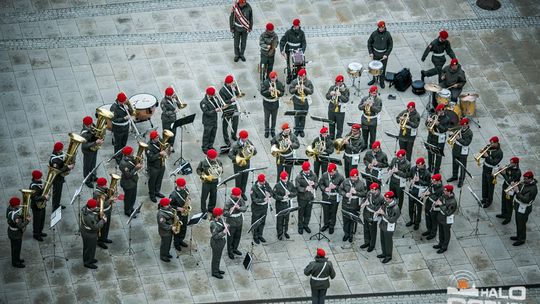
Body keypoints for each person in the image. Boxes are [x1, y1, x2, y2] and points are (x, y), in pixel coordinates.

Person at [339, 169, 367, 242]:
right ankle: (346, 234)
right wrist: (345, 194)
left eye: (355, 177)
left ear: (357, 176)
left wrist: (356, 193)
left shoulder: (361, 183)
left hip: (355, 205)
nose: (353, 179)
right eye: (352, 177)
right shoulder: (345, 181)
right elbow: (340, 190)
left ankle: (351, 235)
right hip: (346, 204)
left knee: (353, 221)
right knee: (345, 220)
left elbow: (364, 194)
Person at [228, 130, 257, 198]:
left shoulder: (248, 142)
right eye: (244, 138)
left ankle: (242, 192)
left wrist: (253, 149)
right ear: (241, 138)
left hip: (246, 164)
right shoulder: (235, 145)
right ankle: (237, 194)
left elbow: (255, 153)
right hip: (238, 165)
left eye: (246, 137)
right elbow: (230, 155)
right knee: (238, 180)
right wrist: (238, 159)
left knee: (245, 179)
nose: (246, 139)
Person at [511, 171, 537, 246]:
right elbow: (521, 188)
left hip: (524, 208)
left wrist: (517, 191)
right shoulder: (525, 183)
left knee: (521, 224)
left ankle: (521, 239)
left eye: (525, 179)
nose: (524, 180)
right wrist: (515, 185)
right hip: (519, 206)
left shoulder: (533, 189)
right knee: (518, 222)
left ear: (530, 179)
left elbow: (525, 200)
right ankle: (518, 236)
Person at [318, 163, 345, 234]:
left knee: (333, 212)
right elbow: (320, 184)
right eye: (329, 172)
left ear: (335, 171)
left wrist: (335, 187)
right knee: (325, 211)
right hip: (326, 196)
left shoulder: (340, 177)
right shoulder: (325, 175)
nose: (331, 174)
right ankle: (326, 224)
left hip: (334, 197)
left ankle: (331, 225)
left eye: (332, 172)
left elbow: (343, 188)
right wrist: (324, 189)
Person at [447, 118, 473, 188]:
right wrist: (451, 135)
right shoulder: (459, 128)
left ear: (467, 124)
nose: (462, 126)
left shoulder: (469, 133)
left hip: (463, 151)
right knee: (454, 164)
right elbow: (452, 135)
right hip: (456, 149)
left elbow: (466, 143)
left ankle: (461, 180)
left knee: (462, 166)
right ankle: (454, 176)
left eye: (464, 125)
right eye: (462, 125)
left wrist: (459, 139)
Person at [80, 198, 106, 269]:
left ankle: (90, 258)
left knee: (91, 247)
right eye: (95, 207)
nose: (96, 207)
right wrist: (103, 220)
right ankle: (87, 262)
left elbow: (95, 211)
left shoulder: (86, 208)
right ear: (91, 208)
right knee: (89, 248)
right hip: (89, 234)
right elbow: (96, 226)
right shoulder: (89, 217)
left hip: (88, 232)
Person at [406, 158, 431, 230]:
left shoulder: (427, 173)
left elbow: (428, 184)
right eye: (417, 165)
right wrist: (411, 179)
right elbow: (410, 176)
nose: (418, 166)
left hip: (420, 191)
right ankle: (411, 220)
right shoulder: (413, 168)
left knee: (418, 208)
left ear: (423, 164)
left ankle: (417, 222)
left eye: (420, 165)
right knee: (411, 206)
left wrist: (419, 180)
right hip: (413, 189)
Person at [279, 18, 307, 84]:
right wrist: (282, 50)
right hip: (289, 50)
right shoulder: (288, 32)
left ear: (299, 25)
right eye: (295, 26)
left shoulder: (301, 33)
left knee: (298, 65)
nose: (295, 27)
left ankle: (297, 77)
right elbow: (282, 41)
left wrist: (302, 51)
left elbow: (304, 43)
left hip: (298, 52)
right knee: (289, 65)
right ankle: (289, 76)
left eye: (297, 26)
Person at [375, 191, 400, 263]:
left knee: (388, 241)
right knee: (382, 240)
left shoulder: (396, 208)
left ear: (391, 199)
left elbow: (392, 220)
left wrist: (383, 214)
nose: (385, 200)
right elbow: (382, 208)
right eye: (385, 198)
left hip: (389, 226)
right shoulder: (386, 203)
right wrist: (379, 212)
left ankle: (388, 256)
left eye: (387, 198)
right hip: (383, 224)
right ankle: (384, 253)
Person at [367, 20, 393, 88]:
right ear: (378, 27)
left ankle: (381, 81)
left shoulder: (387, 34)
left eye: (382, 28)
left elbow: (390, 45)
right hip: (375, 54)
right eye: (380, 28)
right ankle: (374, 80)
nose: (381, 29)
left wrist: (386, 55)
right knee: (374, 68)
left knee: (382, 69)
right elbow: (369, 43)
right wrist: (371, 52)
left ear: (384, 27)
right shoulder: (374, 34)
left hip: (383, 55)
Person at [426, 104, 451, 174]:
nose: (438, 113)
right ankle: (430, 167)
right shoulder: (433, 115)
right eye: (437, 111)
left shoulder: (447, 119)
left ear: (443, 110)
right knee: (430, 153)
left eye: (439, 112)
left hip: (440, 138)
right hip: (431, 136)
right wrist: (428, 121)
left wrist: (438, 124)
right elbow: (426, 125)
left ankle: (437, 169)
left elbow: (444, 130)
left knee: (438, 155)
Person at [289, 68, 314, 137]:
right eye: (300, 76)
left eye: (303, 76)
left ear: (305, 75)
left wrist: (305, 88)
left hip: (305, 102)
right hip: (297, 101)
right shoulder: (294, 82)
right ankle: (297, 130)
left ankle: (301, 129)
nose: (301, 78)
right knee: (297, 116)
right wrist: (295, 89)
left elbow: (311, 91)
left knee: (303, 116)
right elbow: (290, 91)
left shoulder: (308, 82)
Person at [273, 171, 298, 240]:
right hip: (280, 205)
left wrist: (290, 194)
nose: (285, 180)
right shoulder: (277, 185)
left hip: (288, 204)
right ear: (281, 178)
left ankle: (285, 231)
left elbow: (295, 192)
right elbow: (274, 195)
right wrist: (282, 197)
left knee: (286, 219)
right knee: (280, 220)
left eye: (286, 178)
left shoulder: (290, 184)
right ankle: (279, 233)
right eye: (284, 179)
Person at [196, 149, 222, 215]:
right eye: (213, 158)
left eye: (215, 157)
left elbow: (221, 169)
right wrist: (204, 175)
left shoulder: (218, 161)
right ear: (209, 157)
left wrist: (219, 171)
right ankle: (204, 211)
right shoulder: (203, 162)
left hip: (215, 182)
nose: (214, 159)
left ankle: (211, 208)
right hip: (206, 182)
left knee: (213, 196)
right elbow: (198, 170)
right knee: (204, 197)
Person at [224, 187, 247, 259]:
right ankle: (230, 251)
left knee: (238, 236)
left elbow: (244, 208)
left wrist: (239, 208)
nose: (240, 196)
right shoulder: (228, 202)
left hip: (239, 221)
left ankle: (235, 248)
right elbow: (224, 213)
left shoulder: (240, 199)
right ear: (235, 195)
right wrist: (230, 211)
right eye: (239, 195)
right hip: (231, 222)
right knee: (230, 238)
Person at [250, 174, 274, 244]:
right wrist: (263, 200)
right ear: (259, 181)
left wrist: (269, 195)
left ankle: (260, 234)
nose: (264, 182)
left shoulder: (265, 183)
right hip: (256, 208)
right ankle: (255, 236)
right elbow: (254, 200)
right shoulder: (254, 188)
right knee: (256, 222)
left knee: (262, 222)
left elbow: (271, 191)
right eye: (262, 182)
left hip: (264, 207)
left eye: (264, 181)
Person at [480, 136, 504, 208]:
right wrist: (482, 154)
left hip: (492, 171)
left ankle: (489, 201)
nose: (490, 144)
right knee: (484, 183)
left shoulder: (500, 152)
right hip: (485, 168)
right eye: (490, 142)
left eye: (492, 143)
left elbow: (494, 162)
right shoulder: (489, 146)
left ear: (496, 143)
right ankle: (484, 198)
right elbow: (483, 156)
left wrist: (487, 156)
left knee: (490, 187)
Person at [360, 182, 384, 252]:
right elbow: (365, 199)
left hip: (373, 215)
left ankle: (372, 245)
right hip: (366, 213)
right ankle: (367, 242)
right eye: (371, 190)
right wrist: (362, 203)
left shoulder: (380, 198)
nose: (371, 191)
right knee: (366, 229)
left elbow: (380, 208)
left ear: (376, 190)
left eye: (373, 190)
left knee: (372, 231)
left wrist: (369, 205)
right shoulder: (369, 193)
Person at [433, 184, 457, 254]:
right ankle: (440, 243)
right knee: (440, 231)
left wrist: (441, 205)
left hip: (446, 220)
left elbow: (448, 212)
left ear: (449, 192)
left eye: (445, 191)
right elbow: (440, 199)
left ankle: (444, 247)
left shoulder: (453, 202)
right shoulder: (444, 195)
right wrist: (437, 202)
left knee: (446, 233)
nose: (443, 191)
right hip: (441, 217)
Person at [261, 71, 285, 138]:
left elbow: (282, 93)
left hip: (275, 103)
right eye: (272, 78)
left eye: (274, 78)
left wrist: (278, 92)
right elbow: (262, 92)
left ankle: (272, 130)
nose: (273, 79)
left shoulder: (279, 84)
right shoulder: (265, 83)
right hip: (267, 103)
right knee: (267, 118)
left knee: (274, 118)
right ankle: (266, 130)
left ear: (276, 77)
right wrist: (268, 90)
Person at [7, 197, 30, 268]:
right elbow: (20, 226)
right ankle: (15, 262)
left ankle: (17, 259)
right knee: (16, 248)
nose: (19, 205)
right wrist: (27, 221)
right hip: (15, 234)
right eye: (18, 204)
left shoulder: (9, 209)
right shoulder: (15, 216)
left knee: (15, 248)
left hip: (11, 231)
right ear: (15, 205)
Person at [119, 146, 142, 217]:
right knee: (128, 198)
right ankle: (127, 210)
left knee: (133, 196)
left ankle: (131, 208)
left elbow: (135, 162)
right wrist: (136, 168)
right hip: (128, 183)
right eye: (132, 152)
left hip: (133, 181)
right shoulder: (123, 164)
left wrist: (139, 161)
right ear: (128, 154)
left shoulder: (131, 158)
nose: (133, 153)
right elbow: (128, 175)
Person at [49, 141, 73, 211]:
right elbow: (58, 171)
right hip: (56, 178)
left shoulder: (59, 153)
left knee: (59, 193)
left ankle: (57, 204)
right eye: (62, 149)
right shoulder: (54, 161)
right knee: (56, 193)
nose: (63, 150)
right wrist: (68, 167)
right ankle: (55, 207)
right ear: (59, 150)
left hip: (60, 178)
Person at [295, 161, 318, 235]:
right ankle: (300, 226)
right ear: (303, 170)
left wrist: (314, 184)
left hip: (310, 197)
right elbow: (297, 187)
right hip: (302, 198)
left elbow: (317, 183)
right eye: (306, 170)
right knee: (301, 213)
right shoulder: (299, 177)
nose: (308, 171)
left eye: (308, 170)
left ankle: (306, 225)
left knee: (308, 213)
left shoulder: (313, 175)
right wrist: (305, 189)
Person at [497, 157, 521, 225]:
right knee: (503, 200)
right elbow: (506, 175)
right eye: (510, 162)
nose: (510, 164)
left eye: (512, 163)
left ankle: (508, 217)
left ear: (516, 164)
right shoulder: (509, 167)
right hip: (505, 185)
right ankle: (503, 213)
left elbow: (510, 181)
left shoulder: (518, 172)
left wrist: (504, 174)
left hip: (511, 188)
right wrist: (501, 171)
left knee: (509, 203)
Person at [80, 116, 102, 187]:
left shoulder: (92, 125)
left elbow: (96, 134)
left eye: (91, 123)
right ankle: (87, 180)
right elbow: (84, 145)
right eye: (89, 124)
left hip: (94, 149)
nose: (91, 125)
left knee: (93, 164)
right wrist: (95, 142)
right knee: (87, 166)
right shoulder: (84, 134)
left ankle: (93, 176)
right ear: (86, 124)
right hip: (88, 152)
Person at [325, 75, 350, 139]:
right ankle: (331, 136)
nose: (337, 84)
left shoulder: (346, 89)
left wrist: (340, 95)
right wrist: (330, 94)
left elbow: (346, 100)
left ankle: (338, 137)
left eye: (339, 83)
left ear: (342, 82)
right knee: (331, 123)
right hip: (332, 108)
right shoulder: (332, 87)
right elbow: (327, 97)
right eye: (337, 82)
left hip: (340, 109)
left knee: (340, 125)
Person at [219, 75, 241, 146]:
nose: (232, 83)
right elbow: (223, 102)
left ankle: (234, 135)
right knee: (225, 124)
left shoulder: (233, 86)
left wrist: (235, 89)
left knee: (235, 122)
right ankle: (226, 138)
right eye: (231, 83)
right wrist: (231, 100)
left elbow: (238, 94)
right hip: (227, 108)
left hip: (235, 106)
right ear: (227, 83)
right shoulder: (222, 90)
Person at [110, 92, 132, 164]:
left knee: (123, 143)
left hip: (125, 127)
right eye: (122, 102)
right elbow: (114, 119)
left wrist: (129, 105)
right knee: (118, 144)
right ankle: (118, 158)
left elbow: (131, 112)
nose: (124, 102)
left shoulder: (124, 104)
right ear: (119, 101)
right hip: (118, 129)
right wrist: (124, 118)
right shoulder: (114, 108)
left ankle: (123, 155)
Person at [146, 130, 167, 203]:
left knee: (159, 180)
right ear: (152, 139)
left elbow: (165, 145)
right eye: (156, 138)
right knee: (152, 181)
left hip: (161, 164)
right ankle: (152, 194)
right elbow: (151, 158)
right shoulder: (148, 147)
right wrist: (160, 154)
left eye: (158, 137)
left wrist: (168, 148)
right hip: (153, 167)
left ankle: (157, 191)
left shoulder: (159, 140)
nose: (158, 139)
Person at [169, 178, 190, 251]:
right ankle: (176, 243)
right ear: (178, 186)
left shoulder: (185, 190)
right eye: (183, 186)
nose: (184, 187)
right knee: (178, 229)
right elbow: (169, 205)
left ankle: (181, 240)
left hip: (184, 212)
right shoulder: (173, 195)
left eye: (184, 185)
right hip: (178, 214)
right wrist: (178, 208)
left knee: (184, 227)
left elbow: (187, 197)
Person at [93, 177, 113, 250]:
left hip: (107, 210)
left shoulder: (103, 190)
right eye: (105, 185)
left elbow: (107, 196)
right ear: (101, 185)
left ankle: (104, 238)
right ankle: (100, 240)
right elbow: (101, 205)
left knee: (107, 226)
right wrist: (110, 200)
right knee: (103, 227)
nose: (106, 186)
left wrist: (111, 192)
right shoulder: (97, 193)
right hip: (103, 212)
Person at [422, 173, 444, 240]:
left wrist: (430, 194)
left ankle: (433, 233)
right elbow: (429, 190)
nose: (432, 182)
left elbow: (440, 199)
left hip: (435, 206)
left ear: (438, 181)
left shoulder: (442, 189)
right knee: (427, 218)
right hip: (429, 203)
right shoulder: (432, 185)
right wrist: (425, 193)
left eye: (434, 181)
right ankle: (429, 230)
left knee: (434, 220)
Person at [200, 86, 220, 153]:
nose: (214, 96)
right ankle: (205, 148)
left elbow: (218, 105)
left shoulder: (214, 98)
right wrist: (215, 110)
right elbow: (207, 112)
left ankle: (210, 146)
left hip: (214, 120)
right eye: (212, 95)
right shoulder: (203, 102)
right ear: (209, 94)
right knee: (207, 135)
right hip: (208, 121)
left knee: (213, 134)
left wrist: (218, 102)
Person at [29, 170, 47, 242]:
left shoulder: (39, 182)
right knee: (37, 221)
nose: (41, 178)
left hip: (42, 204)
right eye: (39, 177)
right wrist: (44, 197)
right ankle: (36, 234)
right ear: (35, 178)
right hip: (36, 206)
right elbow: (34, 198)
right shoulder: (33, 186)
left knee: (42, 219)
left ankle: (40, 231)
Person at [210, 208, 227, 279]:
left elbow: (221, 225)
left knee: (218, 257)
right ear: (217, 215)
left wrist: (225, 226)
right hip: (216, 243)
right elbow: (215, 236)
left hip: (220, 242)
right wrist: (224, 232)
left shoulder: (219, 219)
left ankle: (217, 269)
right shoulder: (213, 224)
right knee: (216, 258)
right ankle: (215, 272)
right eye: (220, 214)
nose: (221, 216)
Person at [160, 87, 178, 151]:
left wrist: (177, 99)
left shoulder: (173, 98)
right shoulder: (163, 102)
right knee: (167, 134)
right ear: (167, 95)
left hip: (173, 119)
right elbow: (165, 112)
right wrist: (173, 112)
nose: (172, 96)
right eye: (171, 95)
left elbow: (178, 105)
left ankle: (171, 146)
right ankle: (165, 147)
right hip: (166, 121)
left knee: (173, 134)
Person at [157, 198, 174, 262]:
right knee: (165, 244)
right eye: (167, 204)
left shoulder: (168, 208)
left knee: (168, 243)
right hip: (165, 232)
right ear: (163, 205)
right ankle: (163, 256)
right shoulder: (160, 215)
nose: (169, 205)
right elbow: (162, 225)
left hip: (169, 230)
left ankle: (167, 253)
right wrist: (171, 227)